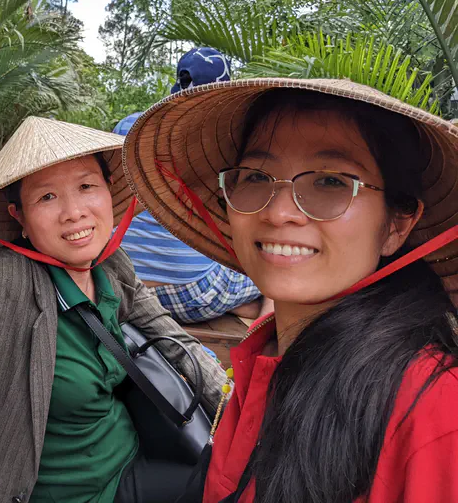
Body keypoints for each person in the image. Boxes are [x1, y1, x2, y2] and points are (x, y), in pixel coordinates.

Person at [0, 116, 226, 503]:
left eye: (86, 186)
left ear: (108, 189)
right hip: (50, 493)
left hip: (128, 460)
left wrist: (235, 410)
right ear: (20, 218)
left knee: (240, 483)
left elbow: (173, 338)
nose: (74, 212)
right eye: (47, 197)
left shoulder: (112, 266)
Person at [123, 78, 458, 502]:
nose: (279, 212)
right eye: (256, 176)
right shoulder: (264, 351)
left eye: (331, 182)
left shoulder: (434, 412)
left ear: (396, 225)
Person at [113, 48, 268, 324]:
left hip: (123, 287)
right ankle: (266, 325)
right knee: (272, 266)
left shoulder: (129, 126)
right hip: (194, 292)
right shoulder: (223, 142)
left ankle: (240, 306)